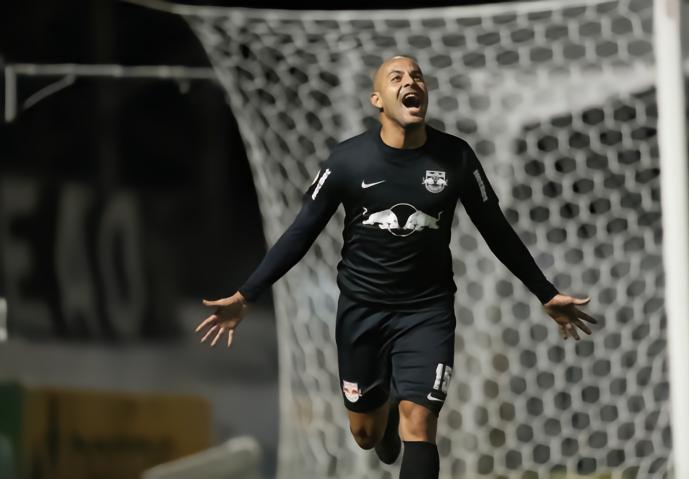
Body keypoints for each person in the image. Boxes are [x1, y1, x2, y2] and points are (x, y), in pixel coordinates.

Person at [196, 55, 597, 479]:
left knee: (420, 423)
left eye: (417, 76)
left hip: (427, 312)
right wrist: (247, 294)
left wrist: (545, 292)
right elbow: (300, 233)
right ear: (378, 100)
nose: (411, 82)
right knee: (366, 435)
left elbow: (497, 230)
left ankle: (401, 410)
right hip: (362, 310)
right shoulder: (348, 160)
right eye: (397, 77)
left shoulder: (456, 157)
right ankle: (382, 410)